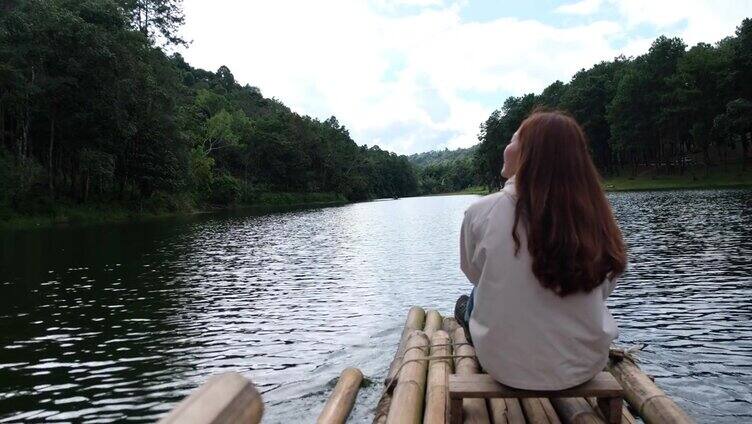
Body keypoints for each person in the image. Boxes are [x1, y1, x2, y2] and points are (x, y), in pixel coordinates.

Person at [455, 110, 627, 390]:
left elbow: (474, 273)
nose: (505, 148)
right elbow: (604, 287)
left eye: (512, 140)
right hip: (584, 365)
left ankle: (466, 315)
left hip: (505, 368)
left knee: (474, 295)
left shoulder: (479, 212)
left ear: (529, 154)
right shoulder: (598, 216)